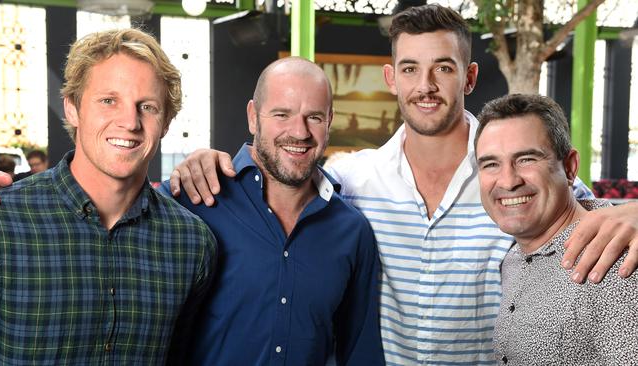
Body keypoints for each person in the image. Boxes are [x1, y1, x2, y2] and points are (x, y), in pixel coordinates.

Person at [166, 4, 638, 365]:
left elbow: (577, 211)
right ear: (392, 78)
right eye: (411, 68)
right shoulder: (351, 180)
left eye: (444, 68)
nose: (426, 85)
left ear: (470, 76)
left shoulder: (508, 182)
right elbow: (285, 174)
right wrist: (207, 161)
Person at [0, 28, 216, 364]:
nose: (129, 121)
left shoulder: (192, 243)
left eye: (148, 107)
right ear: (72, 109)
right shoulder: (0, 222)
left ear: (166, 121)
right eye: (109, 101)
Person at [157, 56, 384, 365]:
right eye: (282, 114)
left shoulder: (353, 231)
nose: (299, 132)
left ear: (330, 120)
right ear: (254, 117)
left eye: (314, 117)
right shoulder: (196, 199)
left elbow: (361, 352)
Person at [475, 94, 638, 365]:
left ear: (570, 167)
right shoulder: (513, 258)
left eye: (526, 159)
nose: (508, 180)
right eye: (491, 164)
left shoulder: (615, 263)